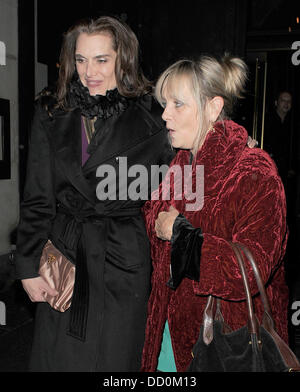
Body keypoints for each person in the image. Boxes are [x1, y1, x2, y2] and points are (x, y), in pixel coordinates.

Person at [14, 15, 174, 372]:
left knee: (117, 359)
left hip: (124, 256)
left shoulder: (153, 116)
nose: (89, 72)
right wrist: (28, 267)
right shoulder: (50, 110)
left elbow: (192, 161)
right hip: (66, 254)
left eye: (101, 60)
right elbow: (37, 196)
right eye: (81, 60)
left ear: (123, 59)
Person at [140, 55, 289, 372]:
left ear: (213, 107)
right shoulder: (180, 164)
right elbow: (155, 224)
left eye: (178, 104)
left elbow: (252, 270)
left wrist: (181, 235)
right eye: (165, 103)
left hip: (227, 345)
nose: (165, 114)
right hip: (170, 332)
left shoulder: (253, 170)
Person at [264, 90, 293, 187]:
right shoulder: (267, 121)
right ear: (276, 102)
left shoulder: (292, 124)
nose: (286, 103)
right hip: (269, 169)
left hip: (285, 173)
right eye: (283, 100)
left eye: (289, 101)